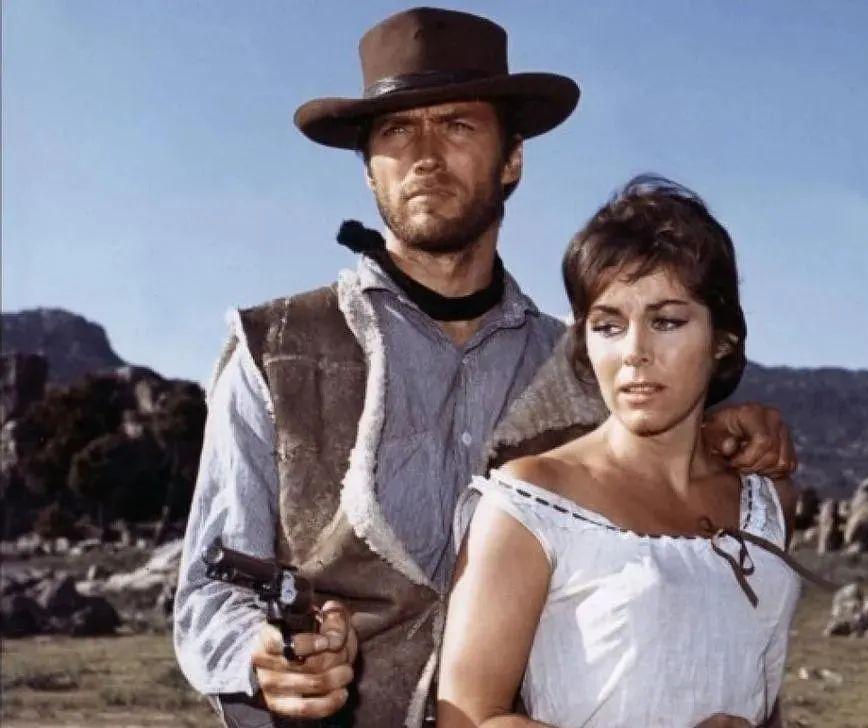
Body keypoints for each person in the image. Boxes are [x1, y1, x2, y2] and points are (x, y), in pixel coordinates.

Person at [173, 9, 797, 728]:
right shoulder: (275, 349)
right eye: (396, 131)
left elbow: (655, 478)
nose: (425, 155)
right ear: (369, 168)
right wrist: (262, 656)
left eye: (457, 125)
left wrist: (723, 430)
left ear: (512, 160)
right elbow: (208, 590)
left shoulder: (587, 362)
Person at [439, 177, 808, 727]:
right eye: (609, 325)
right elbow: (467, 720)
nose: (635, 352)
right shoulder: (531, 501)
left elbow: (757, 686)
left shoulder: (765, 501)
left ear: (722, 339)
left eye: (667, 322)